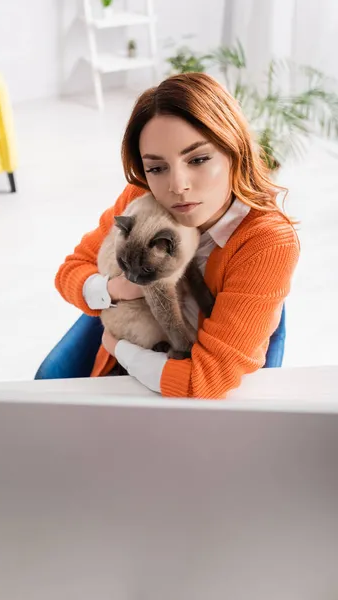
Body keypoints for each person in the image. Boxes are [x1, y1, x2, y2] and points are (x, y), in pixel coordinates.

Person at [46, 72, 300, 398]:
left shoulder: (267, 243)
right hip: (133, 348)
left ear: (234, 150)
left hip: (191, 388)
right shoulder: (142, 198)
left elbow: (203, 381)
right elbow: (71, 271)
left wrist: (118, 348)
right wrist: (119, 288)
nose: (177, 186)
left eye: (198, 159)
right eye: (157, 167)